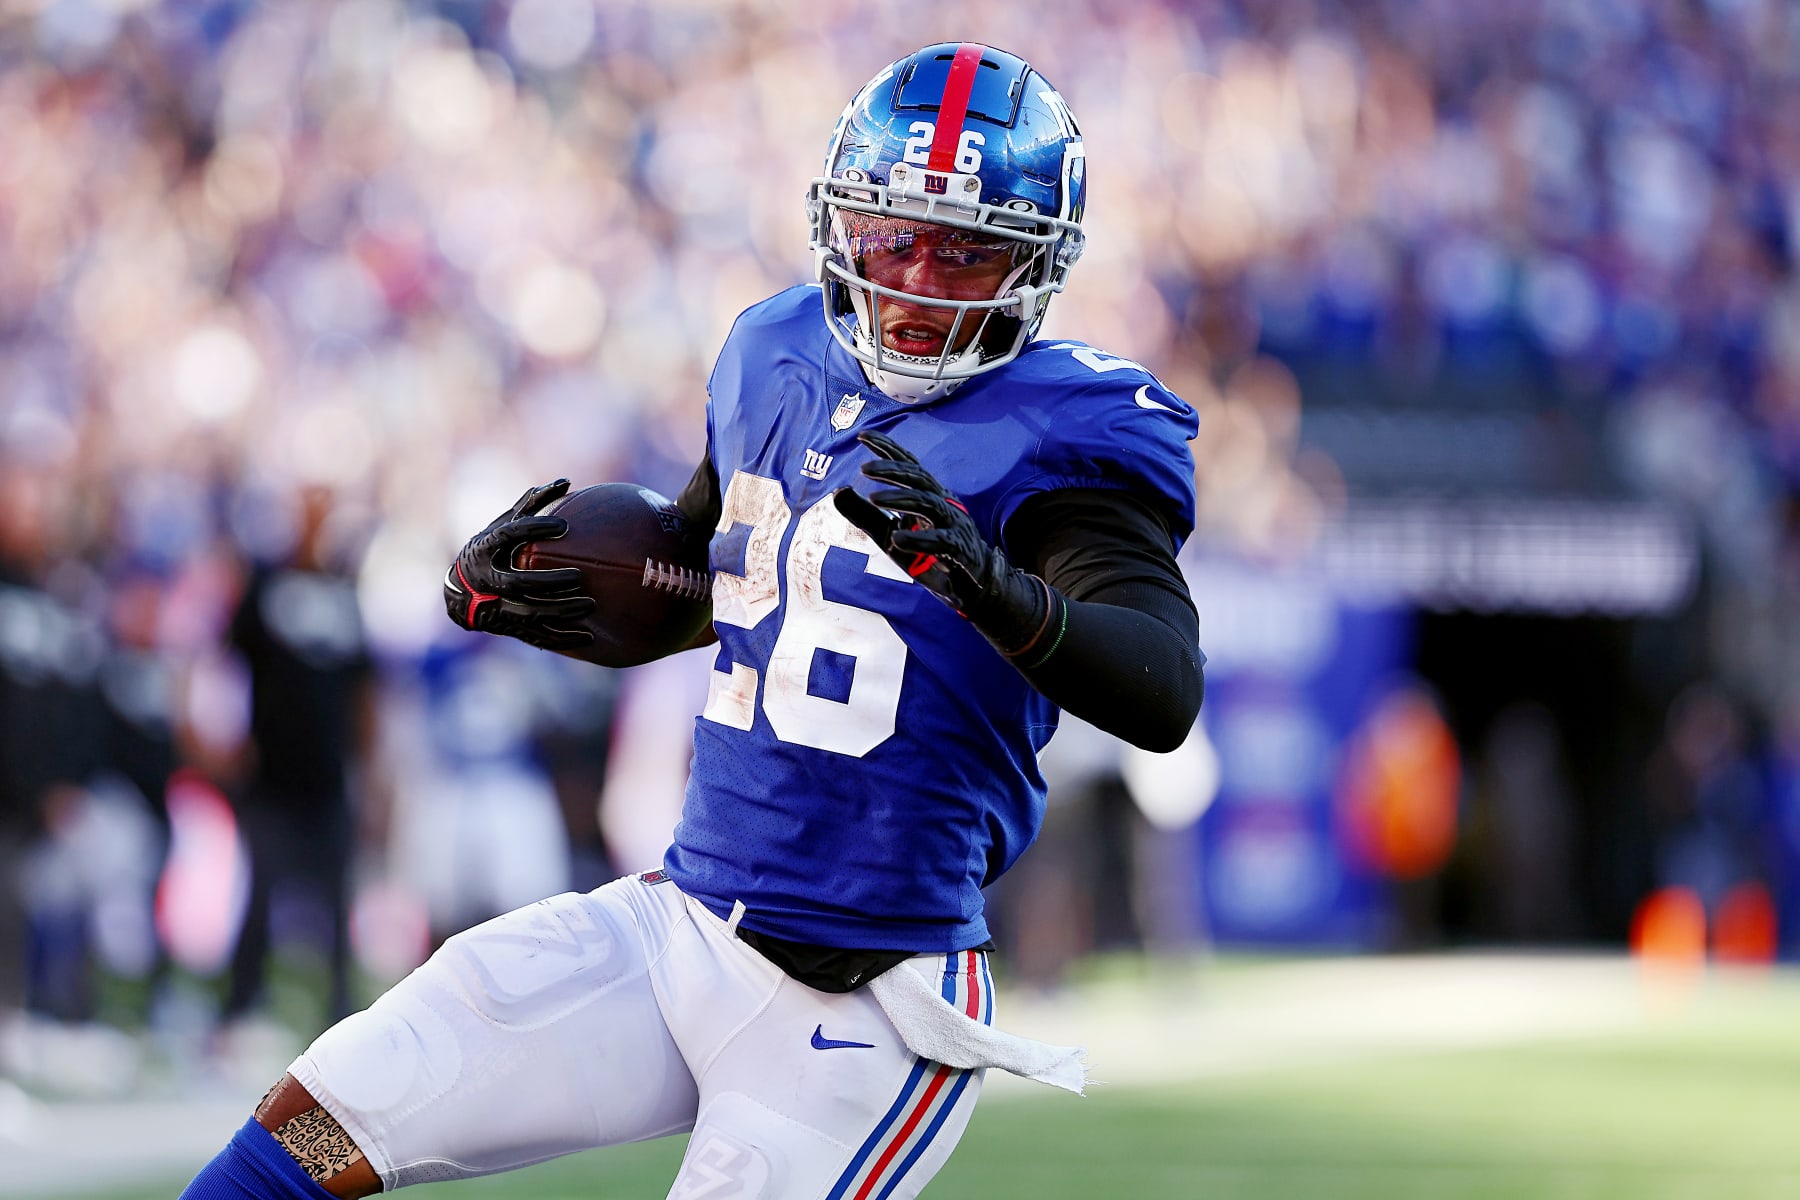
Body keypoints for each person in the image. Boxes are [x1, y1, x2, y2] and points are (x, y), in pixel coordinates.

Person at [179, 42, 1204, 1200]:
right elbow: (722, 581)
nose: (918, 278)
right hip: (678, 928)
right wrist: (535, 599)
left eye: (966, 250)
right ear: (837, 223)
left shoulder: (1068, 430)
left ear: (1037, 259)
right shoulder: (774, 351)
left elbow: (1162, 688)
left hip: (865, 1004)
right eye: (892, 234)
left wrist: (1000, 591)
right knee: (308, 1134)